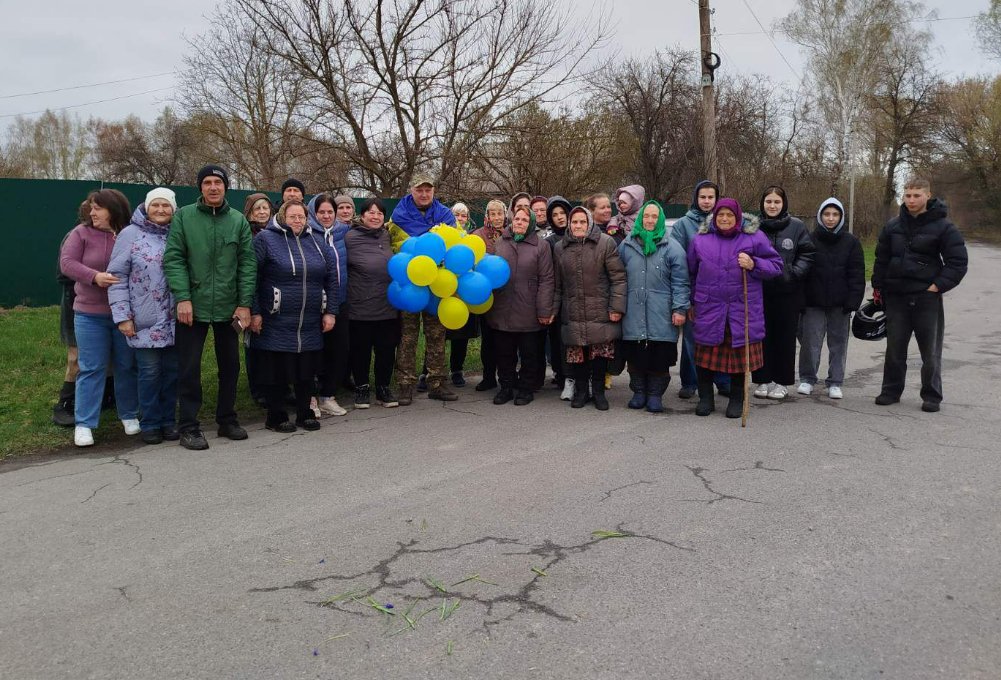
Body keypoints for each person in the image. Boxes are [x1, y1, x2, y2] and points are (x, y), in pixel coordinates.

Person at [163, 164, 257, 450]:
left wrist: (244, 304)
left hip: (229, 308)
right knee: (189, 368)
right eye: (207, 182)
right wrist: (183, 297)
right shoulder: (184, 218)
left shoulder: (238, 220)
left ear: (226, 187)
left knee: (230, 365)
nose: (213, 187)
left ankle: (227, 419)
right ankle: (189, 426)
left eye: (218, 182)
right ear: (200, 188)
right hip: (192, 307)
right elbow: (174, 258)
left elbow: (247, 264)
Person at [872, 178, 968, 412]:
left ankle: (932, 395)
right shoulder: (892, 226)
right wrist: (878, 287)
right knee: (895, 349)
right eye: (908, 195)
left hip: (926, 298)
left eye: (916, 195)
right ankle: (891, 390)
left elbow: (957, 262)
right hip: (896, 297)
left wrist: (937, 286)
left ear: (927, 196)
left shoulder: (944, 227)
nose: (911, 200)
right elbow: (881, 259)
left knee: (930, 351)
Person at [687, 198, 783, 418]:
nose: (724, 219)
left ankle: (737, 399)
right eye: (721, 215)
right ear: (714, 216)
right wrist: (691, 301)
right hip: (709, 306)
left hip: (742, 308)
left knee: (740, 356)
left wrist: (754, 264)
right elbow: (691, 272)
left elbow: (776, 266)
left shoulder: (754, 237)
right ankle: (705, 398)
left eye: (729, 215)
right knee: (705, 356)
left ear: (738, 217)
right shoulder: (701, 240)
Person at [59, 189, 139, 447]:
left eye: (97, 208)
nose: (91, 213)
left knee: (126, 365)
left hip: (124, 315)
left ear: (114, 210)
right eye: (91, 208)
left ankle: (128, 415)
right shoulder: (80, 233)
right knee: (91, 367)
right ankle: (84, 424)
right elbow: (67, 263)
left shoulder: (130, 234)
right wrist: (95, 276)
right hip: (89, 314)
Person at [249, 200, 338, 432]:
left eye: (301, 217)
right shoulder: (265, 240)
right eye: (292, 217)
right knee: (276, 370)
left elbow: (332, 279)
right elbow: (251, 278)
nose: (297, 221)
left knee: (306, 371)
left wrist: (331, 312)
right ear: (281, 217)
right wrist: (255, 311)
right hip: (275, 318)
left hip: (309, 320)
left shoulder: (318, 243)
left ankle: (304, 413)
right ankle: (275, 416)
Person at [107, 188, 179, 445]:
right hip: (144, 317)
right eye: (155, 205)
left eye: (166, 206)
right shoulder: (130, 235)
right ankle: (149, 422)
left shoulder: (178, 232)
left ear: (173, 209)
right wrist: (122, 316)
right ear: (147, 207)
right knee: (149, 372)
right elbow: (116, 277)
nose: (160, 210)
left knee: (172, 372)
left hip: (176, 317)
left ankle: (169, 421)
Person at [388, 172, 458, 404]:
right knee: (407, 337)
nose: (424, 194)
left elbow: (456, 243)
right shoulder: (398, 216)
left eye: (428, 190)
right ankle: (405, 385)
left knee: (437, 335)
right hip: (410, 285)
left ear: (434, 192)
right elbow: (396, 246)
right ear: (411, 191)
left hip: (437, 283)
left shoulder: (445, 215)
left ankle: (437, 383)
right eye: (420, 190)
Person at [618, 201, 690, 413]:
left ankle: (655, 395)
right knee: (635, 355)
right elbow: (617, 277)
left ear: (659, 219)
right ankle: (639, 392)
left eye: (654, 217)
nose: (650, 220)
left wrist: (679, 308)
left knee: (660, 356)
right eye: (646, 216)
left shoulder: (673, 247)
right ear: (640, 219)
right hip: (633, 310)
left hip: (662, 312)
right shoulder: (627, 245)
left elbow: (681, 281)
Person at [553, 206, 626, 410]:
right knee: (578, 355)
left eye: (582, 222)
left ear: (590, 223)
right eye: (574, 222)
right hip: (573, 311)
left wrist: (616, 307)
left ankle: (599, 392)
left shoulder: (605, 243)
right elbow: (557, 285)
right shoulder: (560, 248)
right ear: (569, 224)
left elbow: (618, 278)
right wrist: (552, 311)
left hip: (600, 310)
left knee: (599, 355)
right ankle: (582, 392)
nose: (578, 226)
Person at [486, 206, 555, 405]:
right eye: (517, 219)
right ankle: (506, 387)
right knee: (504, 353)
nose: (519, 222)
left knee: (529, 354)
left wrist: (544, 310)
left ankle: (526, 389)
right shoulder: (500, 242)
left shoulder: (540, 246)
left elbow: (547, 280)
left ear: (531, 224)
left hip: (529, 311)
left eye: (525, 220)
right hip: (503, 309)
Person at [797, 197, 865, 400]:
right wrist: (801, 300)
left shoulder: (851, 242)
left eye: (835, 214)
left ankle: (835, 381)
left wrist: (853, 301)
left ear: (841, 217)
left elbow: (857, 274)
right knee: (810, 343)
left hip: (840, 304)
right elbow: (802, 272)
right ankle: (807, 379)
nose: (830, 218)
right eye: (827, 214)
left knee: (838, 343)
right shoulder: (809, 239)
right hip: (813, 302)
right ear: (820, 215)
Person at [752, 185, 815, 401]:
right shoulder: (753, 226)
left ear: (783, 203)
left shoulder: (796, 226)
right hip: (760, 291)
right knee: (762, 337)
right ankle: (762, 379)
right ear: (763, 203)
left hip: (788, 293)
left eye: (776, 202)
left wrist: (794, 273)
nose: (772, 205)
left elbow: (807, 253)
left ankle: (782, 381)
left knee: (785, 339)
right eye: (768, 201)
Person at [671, 180, 731, 400]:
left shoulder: (725, 221)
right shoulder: (682, 225)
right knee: (691, 339)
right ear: (696, 199)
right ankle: (690, 381)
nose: (707, 201)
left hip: (721, 294)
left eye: (711, 197)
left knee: (722, 337)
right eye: (703, 197)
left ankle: (723, 380)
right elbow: (679, 262)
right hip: (694, 292)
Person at [344, 198, 400, 408]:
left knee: (386, 350)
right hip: (360, 306)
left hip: (387, 305)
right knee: (361, 351)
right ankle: (362, 388)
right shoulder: (349, 237)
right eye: (371, 213)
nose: (375, 217)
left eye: (379, 213)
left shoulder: (387, 235)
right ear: (363, 215)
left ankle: (383, 389)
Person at [308, 193, 350, 417]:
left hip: (340, 301)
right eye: (321, 212)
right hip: (313, 305)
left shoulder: (343, 233)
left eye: (329, 212)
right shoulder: (305, 234)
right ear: (313, 213)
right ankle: (311, 398)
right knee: (314, 353)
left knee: (338, 351)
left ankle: (328, 396)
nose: (326, 216)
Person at [52, 198, 92, 427]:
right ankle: (65, 403)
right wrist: (94, 277)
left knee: (106, 357)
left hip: (103, 304)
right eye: (92, 209)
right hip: (75, 301)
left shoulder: (114, 235)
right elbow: (63, 273)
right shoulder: (75, 236)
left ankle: (106, 396)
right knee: (76, 356)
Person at [469, 199, 507, 392]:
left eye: (500, 213)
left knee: (506, 339)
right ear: (487, 216)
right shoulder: (478, 236)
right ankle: (488, 376)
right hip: (486, 295)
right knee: (489, 339)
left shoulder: (511, 234)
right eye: (493, 213)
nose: (497, 217)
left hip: (507, 295)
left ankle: (507, 376)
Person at [242, 192, 273, 407]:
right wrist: (252, 307)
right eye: (257, 209)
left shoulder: (278, 232)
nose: (262, 212)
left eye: (265, 208)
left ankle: (275, 386)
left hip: (273, 297)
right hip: (251, 295)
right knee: (253, 345)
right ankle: (257, 389)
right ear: (250, 212)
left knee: (272, 346)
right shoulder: (246, 235)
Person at [545, 195, 572, 399]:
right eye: (555, 215)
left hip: (577, 297)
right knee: (558, 341)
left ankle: (576, 376)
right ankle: (561, 375)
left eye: (563, 213)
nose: (560, 218)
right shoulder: (549, 242)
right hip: (557, 297)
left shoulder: (578, 236)